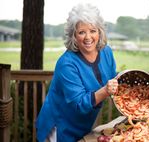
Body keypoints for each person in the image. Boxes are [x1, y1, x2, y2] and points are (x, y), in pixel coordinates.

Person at [36, 3, 118, 142]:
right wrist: (105, 91)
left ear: (99, 31)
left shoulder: (106, 52)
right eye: (81, 32)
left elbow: (113, 78)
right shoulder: (66, 63)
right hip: (59, 126)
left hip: (83, 124)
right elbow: (79, 103)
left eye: (93, 30)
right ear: (74, 35)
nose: (88, 37)